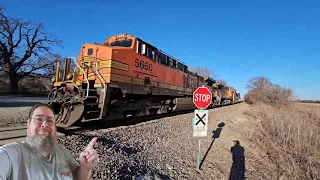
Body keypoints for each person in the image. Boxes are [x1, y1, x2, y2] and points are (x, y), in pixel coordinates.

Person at [0, 103, 99, 180]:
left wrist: (85, 168)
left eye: (50, 121)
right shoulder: (10, 154)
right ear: (28, 124)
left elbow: (79, 178)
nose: (44, 124)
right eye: (38, 119)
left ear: (55, 128)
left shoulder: (62, 151)